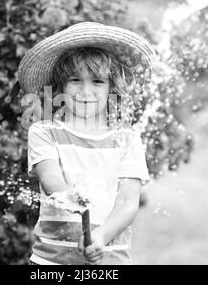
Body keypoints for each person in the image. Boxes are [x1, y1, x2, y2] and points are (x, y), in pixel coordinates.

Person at [14, 22, 157, 265]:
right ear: (60, 85)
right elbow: (51, 179)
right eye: (75, 80)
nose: (85, 90)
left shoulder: (127, 139)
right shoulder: (44, 132)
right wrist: (74, 198)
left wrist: (101, 236)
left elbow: (128, 202)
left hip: (110, 260)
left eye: (98, 81)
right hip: (52, 261)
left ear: (114, 88)